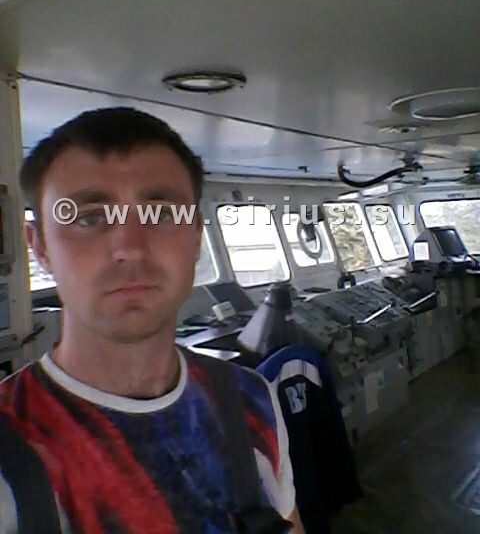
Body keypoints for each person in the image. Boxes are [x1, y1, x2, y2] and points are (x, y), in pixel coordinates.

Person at [0, 107, 304, 533]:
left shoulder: (251, 398)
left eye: (161, 214)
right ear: (41, 248)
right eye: (89, 218)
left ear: (195, 236)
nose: (130, 247)